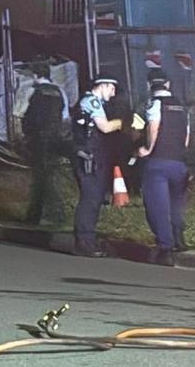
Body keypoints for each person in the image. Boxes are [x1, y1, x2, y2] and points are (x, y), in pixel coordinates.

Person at [138, 68, 190, 266]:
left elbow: (154, 126)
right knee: (176, 204)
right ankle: (179, 239)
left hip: (158, 163)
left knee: (157, 207)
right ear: (168, 84)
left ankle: (165, 248)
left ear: (150, 85)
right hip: (179, 163)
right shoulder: (182, 107)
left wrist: (148, 149)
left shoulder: (154, 104)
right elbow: (186, 139)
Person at [72, 74, 124, 257]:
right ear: (102, 86)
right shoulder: (92, 102)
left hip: (92, 157)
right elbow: (105, 127)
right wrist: (123, 122)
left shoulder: (91, 102)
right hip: (88, 158)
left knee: (93, 199)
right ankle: (85, 242)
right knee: (90, 199)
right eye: (112, 88)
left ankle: (87, 240)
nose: (113, 92)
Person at [22, 61, 70, 225]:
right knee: (51, 174)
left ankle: (38, 216)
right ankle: (50, 214)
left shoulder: (32, 92)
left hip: (38, 140)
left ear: (35, 75)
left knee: (40, 177)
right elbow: (64, 117)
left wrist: (25, 136)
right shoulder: (59, 92)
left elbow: (23, 116)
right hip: (55, 139)